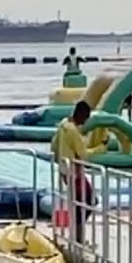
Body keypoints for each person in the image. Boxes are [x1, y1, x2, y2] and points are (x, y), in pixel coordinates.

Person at [50, 101, 102, 243]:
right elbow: (83, 154)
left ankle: (77, 235)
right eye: (85, 118)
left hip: (65, 170)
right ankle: (77, 237)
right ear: (81, 115)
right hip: (75, 172)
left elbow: (54, 145)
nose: (85, 122)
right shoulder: (72, 131)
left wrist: (60, 159)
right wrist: (100, 148)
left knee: (81, 202)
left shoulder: (63, 125)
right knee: (89, 201)